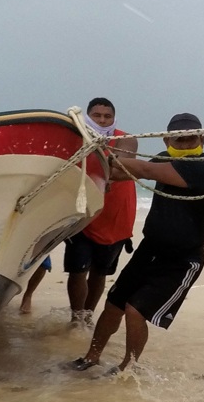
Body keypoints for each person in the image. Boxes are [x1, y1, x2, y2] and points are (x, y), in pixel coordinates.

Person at [70, 112, 204, 374]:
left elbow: (145, 170)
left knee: (135, 311)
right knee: (114, 303)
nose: (184, 145)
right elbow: (123, 172)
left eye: (190, 139)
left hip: (182, 260)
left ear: (202, 139)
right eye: (177, 140)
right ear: (165, 140)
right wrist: (96, 164)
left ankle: (128, 367)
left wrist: (108, 154)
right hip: (149, 251)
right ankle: (91, 356)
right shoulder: (164, 158)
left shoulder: (202, 168)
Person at [50, 97, 139, 325]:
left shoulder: (127, 139)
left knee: (100, 272)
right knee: (78, 269)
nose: (102, 120)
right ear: (88, 117)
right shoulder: (76, 136)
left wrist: (105, 163)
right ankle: (76, 317)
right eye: (97, 115)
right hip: (84, 214)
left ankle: (88, 315)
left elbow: (122, 165)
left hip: (116, 217)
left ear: (114, 118)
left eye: (107, 116)